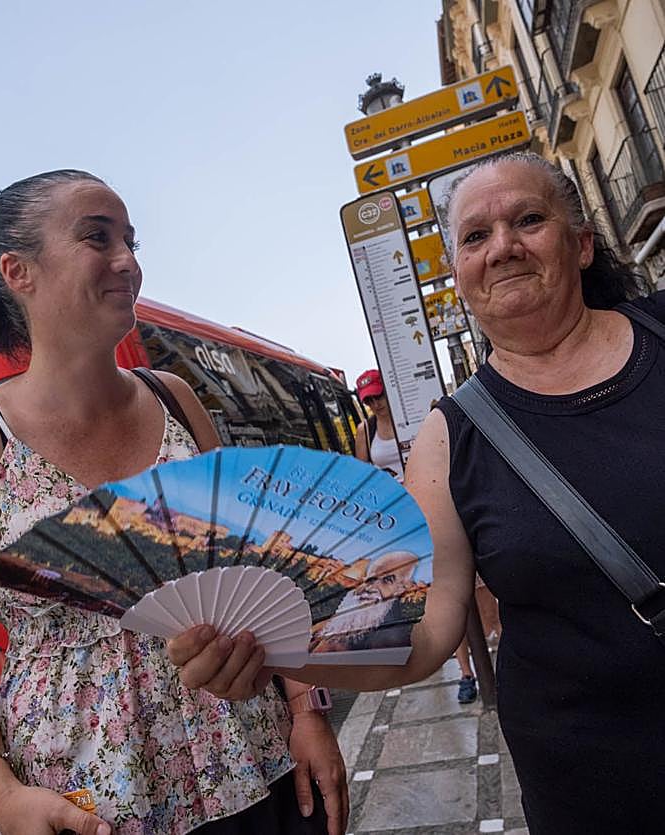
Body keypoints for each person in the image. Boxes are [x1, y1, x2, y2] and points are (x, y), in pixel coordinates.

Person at [167, 151, 665, 834]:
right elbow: (429, 628)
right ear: (456, 275)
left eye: (527, 219)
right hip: (592, 783)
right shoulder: (446, 438)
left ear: (579, 244)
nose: (503, 248)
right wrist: (280, 647)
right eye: (475, 237)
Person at [0, 170, 348, 835]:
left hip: (253, 764)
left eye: (131, 240)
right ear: (18, 271)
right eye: (97, 238)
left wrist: (308, 712)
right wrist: (0, 795)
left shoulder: (173, 400)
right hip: (84, 805)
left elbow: (257, 574)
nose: (128, 263)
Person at [310, 551, 418, 653]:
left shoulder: (391, 642)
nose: (371, 588)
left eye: (387, 580)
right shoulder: (329, 625)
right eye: (370, 579)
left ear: (401, 589)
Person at [353, 370, 402, 481]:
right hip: (391, 495)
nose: (376, 404)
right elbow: (362, 476)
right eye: (369, 400)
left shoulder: (413, 417)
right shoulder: (364, 430)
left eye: (378, 396)